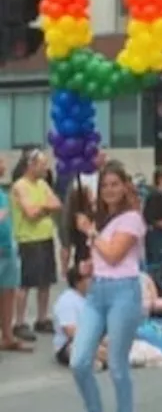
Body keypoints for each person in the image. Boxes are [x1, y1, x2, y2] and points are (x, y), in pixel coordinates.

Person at [70, 161, 147, 412]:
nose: (110, 190)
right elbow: (103, 256)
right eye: (105, 185)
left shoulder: (133, 219)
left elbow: (115, 254)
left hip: (124, 291)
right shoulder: (100, 220)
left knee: (116, 362)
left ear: (125, 186)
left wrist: (91, 233)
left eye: (115, 184)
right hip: (97, 291)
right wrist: (88, 265)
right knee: (79, 360)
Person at [10, 150, 62, 343]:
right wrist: (45, 208)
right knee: (25, 283)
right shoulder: (20, 186)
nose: (45, 168)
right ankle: (20, 322)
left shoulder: (42, 184)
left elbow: (57, 204)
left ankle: (41, 318)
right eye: (42, 164)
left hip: (45, 237)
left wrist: (41, 208)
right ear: (31, 165)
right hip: (28, 239)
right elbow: (30, 213)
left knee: (45, 282)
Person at [0, 154, 31, 353]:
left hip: (8, 250)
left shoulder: (3, 193)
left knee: (8, 292)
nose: (3, 165)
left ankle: (7, 336)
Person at [53, 266, 98, 367]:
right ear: (78, 282)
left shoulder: (92, 297)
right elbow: (70, 331)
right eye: (89, 278)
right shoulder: (67, 301)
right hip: (69, 344)